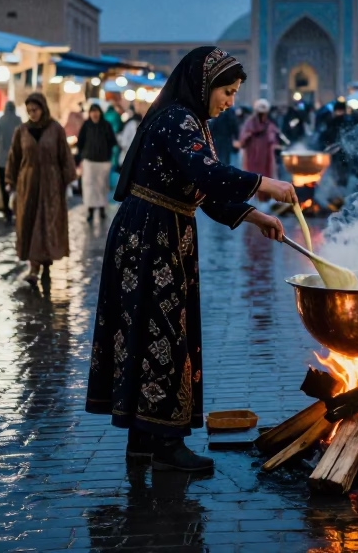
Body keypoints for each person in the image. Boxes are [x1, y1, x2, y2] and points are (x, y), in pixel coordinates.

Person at [86, 46, 294, 472]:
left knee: (150, 333)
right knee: (161, 334)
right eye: (227, 91)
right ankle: (165, 445)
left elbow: (203, 189)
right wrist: (263, 183)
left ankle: (144, 441)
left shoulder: (192, 120)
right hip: (151, 238)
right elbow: (208, 174)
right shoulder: (177, 119)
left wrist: (254, 217)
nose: (230, 102)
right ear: (204, 85)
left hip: (162, 232)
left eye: (235, 94)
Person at [6, 93, 76, 284]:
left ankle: (45, 264)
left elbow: (65, 156)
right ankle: (34, 266)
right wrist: (10, 183)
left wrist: (69, 181)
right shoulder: (22, 131)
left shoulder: (56, 130)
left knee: (48, 222)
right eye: (29, 111)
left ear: (43, 108)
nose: (32, 114)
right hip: (28, 185)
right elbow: (14, 157)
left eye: (35, 110)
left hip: (51, 184)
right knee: (30, 222)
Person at [77, 102, 118, 223]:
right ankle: (90, 210)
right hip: (89, 161)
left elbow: (112, 141)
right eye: (92, 111)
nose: (94, 114)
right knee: (89, 186)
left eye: (96, 111)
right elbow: (80, 142)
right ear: (89, 113)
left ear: (100, 113)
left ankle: (101, 209)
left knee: (102, 186)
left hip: (103, 162)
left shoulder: (106, 125)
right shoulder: (86, 125)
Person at [239, 99, 281, 193]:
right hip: (252, 156)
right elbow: (243, 139)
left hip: (265, 157)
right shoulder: (249, 124)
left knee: (265, 177)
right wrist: (248, 136)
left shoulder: (269, 124)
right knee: (252, 178)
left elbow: (273, 138)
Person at [0, 101, 23, 224]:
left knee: (4, 187)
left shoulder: (0, 121)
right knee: (16, 186)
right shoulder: (19, 122)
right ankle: (17, 210)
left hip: (1, 160)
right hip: (16, 161)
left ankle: (7, 211)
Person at [208, 103, 240, 167]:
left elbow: (234, 126)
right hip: (222, 140)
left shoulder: (222, 111)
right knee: (223, 160)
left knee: (222, 160)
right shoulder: (228, 112)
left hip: (222, 140)